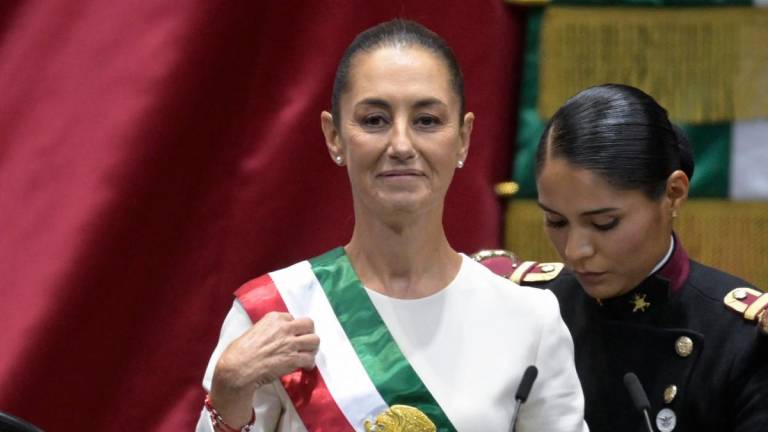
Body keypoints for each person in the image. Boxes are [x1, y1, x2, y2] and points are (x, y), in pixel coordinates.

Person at [197, 19, 588, 432]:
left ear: (463, 137)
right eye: (374, 120)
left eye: (427, 121)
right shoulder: (275, 312)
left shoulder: (529, 319)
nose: (401, 145)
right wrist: (229, 392)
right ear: (334, 136)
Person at [531, 83, 768, 431]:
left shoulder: (742, 341)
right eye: (556, 221)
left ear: (673, 194)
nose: (574, 250)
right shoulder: (529, 307)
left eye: (604, 223)